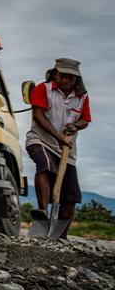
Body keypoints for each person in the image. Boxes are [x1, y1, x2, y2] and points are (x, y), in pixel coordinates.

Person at [25, 58, 91, 238]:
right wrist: (58, 136)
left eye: (69, 77)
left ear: (76, 79)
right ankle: (43, 211)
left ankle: (60, 237)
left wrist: (75, 126)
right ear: (55, 74)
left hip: (66, 150)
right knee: (45, 165)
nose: (65, 80)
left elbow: (85, 119)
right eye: (61, 76)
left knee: (71, 196)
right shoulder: (43, 89)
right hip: (40, 140)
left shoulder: (82, 97)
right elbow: (38, 116)